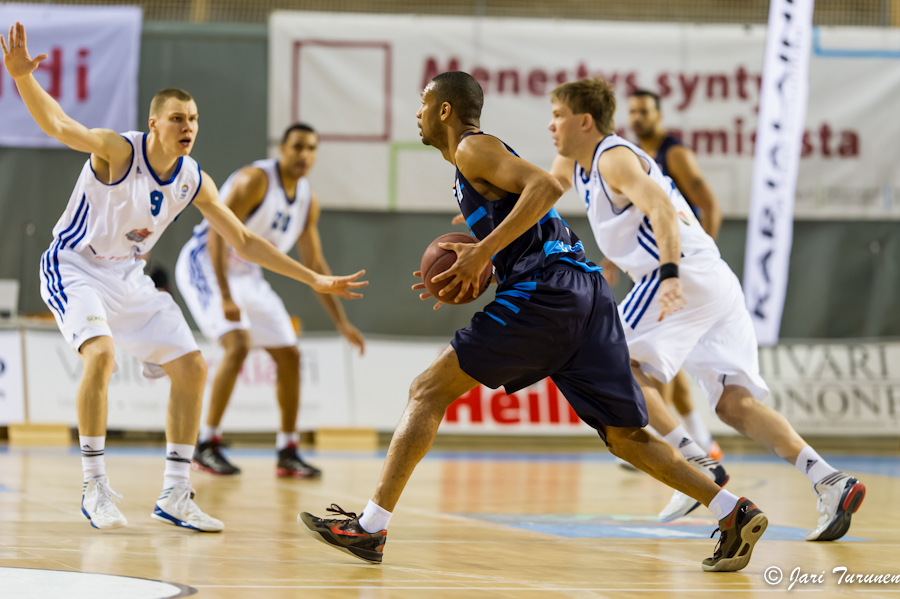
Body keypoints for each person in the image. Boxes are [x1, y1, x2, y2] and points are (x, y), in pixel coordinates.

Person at [299, 71, 767, 573]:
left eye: (422, 103)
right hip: (587, 294)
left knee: (426, 390)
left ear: (444, 111)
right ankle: (732, 511)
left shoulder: (471, 150)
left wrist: (482, 252)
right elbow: (529, 213)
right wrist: (478, 261)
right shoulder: (473, 167)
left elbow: (545, 186)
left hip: (550, 291)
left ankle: (370, 529)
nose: (416, 113)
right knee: (625, 436)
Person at [1, 22, 366, 531]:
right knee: (101, 356)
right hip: (74, 266)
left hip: (128, 278)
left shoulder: (194, 177)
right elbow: (61, 125)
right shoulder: (119, 152)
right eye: (177, 118)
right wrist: (21, 78)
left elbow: (244, 240)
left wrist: (313, 279)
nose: (187, 125)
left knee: (193, 368)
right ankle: (93, 484)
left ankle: (175, 493)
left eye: (193, 118)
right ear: (154, 123)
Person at [548, 77, 864, 540]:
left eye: (557, 116)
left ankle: (694, 461)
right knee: (736, 405)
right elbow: (544, 191)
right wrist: (494, 221)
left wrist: (672, 274)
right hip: (715, 280)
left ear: (584, 121)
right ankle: (830, 481)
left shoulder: (611, 157)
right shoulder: (575, 163)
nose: (550, 126)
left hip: (680, 275)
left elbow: (658, 207)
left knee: (611, 362)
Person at [175, 123, 365, 479]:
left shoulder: (307, 201)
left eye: (311, 148)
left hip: (247, 274)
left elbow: (315, 265)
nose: (304, 155)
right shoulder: (255, 181)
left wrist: (341, 321)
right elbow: (217, 233)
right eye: (297, 147)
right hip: (206, 263)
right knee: (238, 344)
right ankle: (206, 443)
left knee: (290, 354)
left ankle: (288, 450)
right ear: (282, 148)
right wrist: (226, 295)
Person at [627, 88, 723, 461]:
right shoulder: (636, 158)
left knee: (652, 355)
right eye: (632, 111)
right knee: (668, 360)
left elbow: (710, 205)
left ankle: (665, 445)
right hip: (658, 267)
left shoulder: (674, 153)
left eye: (644, 111)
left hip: (681, 269)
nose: (637, 117)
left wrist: (704, 258)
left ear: (659, 115)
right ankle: (702, 443)